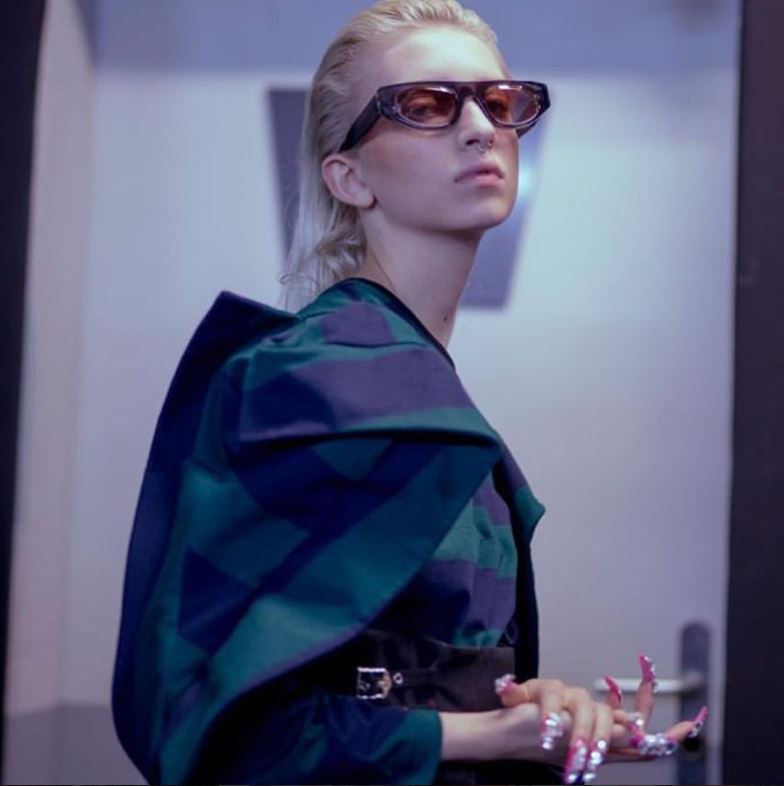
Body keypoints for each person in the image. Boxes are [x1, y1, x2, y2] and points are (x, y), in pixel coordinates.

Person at [111, 1, 707, 783]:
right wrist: (490, 737)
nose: (480, 128)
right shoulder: (310, 380)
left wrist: (524, 710)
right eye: (426, 105)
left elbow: (394, 668)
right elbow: (209, 730)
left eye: (499, 102)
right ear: (349, 176)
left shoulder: (407, 375)